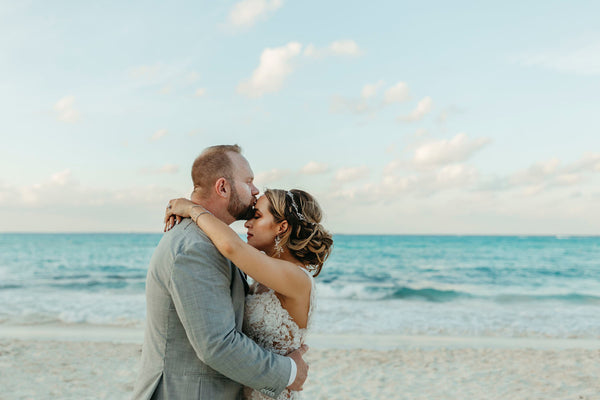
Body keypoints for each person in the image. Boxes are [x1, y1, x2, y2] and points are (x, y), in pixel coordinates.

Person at [132, 145, 309, 400]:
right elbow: (217, 346)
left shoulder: (213, 241)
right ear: (223, 187)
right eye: (248, 181)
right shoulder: (195, 248)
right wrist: (290, 373)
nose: (256, 190)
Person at [163, 187, 333, 400]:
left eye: (257, 216)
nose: (247, 223)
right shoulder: (266, 274)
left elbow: (231, 247)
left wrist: (192, 208)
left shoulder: (297, 278)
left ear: (282, 227)